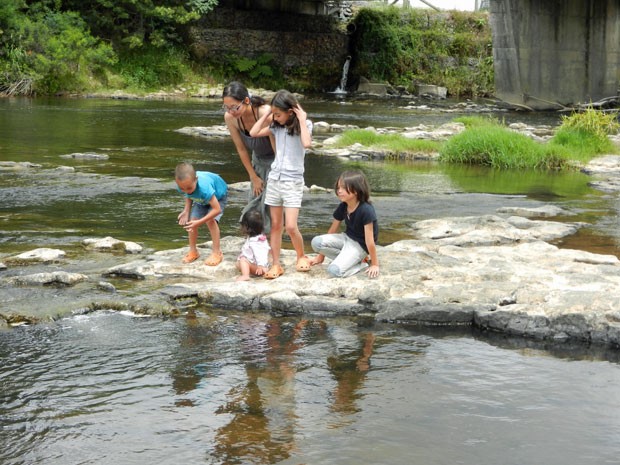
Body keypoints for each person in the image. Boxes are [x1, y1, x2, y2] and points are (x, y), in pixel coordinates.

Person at [249, 89, 313, 279]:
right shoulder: (276, 126)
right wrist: (268, 114)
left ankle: (301, 256)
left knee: (291, 226)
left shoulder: (305, 124)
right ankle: (276, 264)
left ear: (290, 111)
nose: (276, 117)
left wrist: (302, 119)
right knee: (275, 225)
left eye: (278, 114)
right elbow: (253, 132)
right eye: (274, 114)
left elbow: (307, 144)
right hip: (275, 179)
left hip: (292, 181)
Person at [222, 81, 275, 233]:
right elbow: (241, 149)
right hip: (257, 160)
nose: (231, 111)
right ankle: (254, 236)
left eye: (234, 107)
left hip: (275, 160)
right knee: (255, 200)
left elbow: (278, 147)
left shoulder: (264, 112)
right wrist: (253, 176)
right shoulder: (230, 118)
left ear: (246, 101)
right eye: (227, 107)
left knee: (270, 201)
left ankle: (273, 236)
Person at [309, 170, 380, 278]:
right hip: (345, 238)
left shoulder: (366, 210)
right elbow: (333, 229)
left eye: (343, 188)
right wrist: (320, 257)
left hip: (360, 246)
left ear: (356, 190)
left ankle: (361, 264)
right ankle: (349, 259)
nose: (339, 191)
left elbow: (369, 241)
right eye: (338, 188)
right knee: (316, 242)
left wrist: (375, 264)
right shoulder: (343, 205)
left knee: (334, 271)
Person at [175, 161, 228, 266]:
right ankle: (193, 251)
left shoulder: (204, 188)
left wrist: (200, 222)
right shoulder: (184, 186)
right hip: (201, 199)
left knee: (210, 221)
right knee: (192, 221)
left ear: (196, 180)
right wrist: (186, 211)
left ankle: (217, 252)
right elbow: (189, 195)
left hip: (218, 197)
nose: (186, 190)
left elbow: (217, 209)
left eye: (189, 188)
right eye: (182, 188)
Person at [235, 209, 271, 281]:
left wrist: (260, 266)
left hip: (259, 268)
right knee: (239, 262)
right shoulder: (260, 237)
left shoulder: (254, 242)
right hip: (262, 265)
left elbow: (260, 253)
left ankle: (245, 275)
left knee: (243, 260)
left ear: (247, 227)